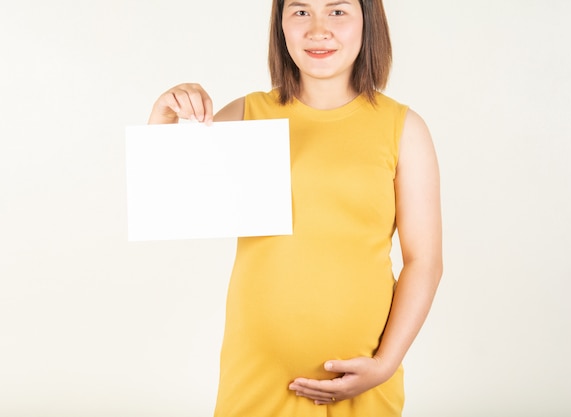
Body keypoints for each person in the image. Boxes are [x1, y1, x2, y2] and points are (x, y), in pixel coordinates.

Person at [148, 0, 442, 415]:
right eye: (300, 12)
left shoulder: (403, 128)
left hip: (365, 379)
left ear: (367, 22)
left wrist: (385, 364)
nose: (318, 29)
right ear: (280, 24)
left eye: (337, 11)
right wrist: (164, 116)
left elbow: (424, 260)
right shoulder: (249, 117)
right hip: (257, 375)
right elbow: (166, 201)